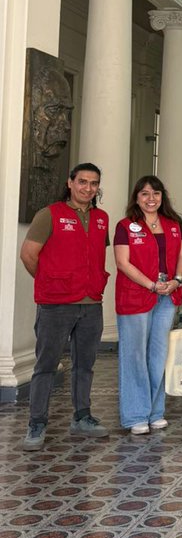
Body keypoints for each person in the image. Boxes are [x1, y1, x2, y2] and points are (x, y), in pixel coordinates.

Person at [19, 163, 111, 451]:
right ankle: (37, 423)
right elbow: (28, 255)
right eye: (82, 182)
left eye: (94, 183)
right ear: (70, 183)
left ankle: (82, 416)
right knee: (46, 365)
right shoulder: (49, 215)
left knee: (85, 364)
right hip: (56, 304)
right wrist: (52, 282)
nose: (88, 188)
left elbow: (94, 256)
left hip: (91, 304)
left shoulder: (101, 218)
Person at [114, 176, 182, 435]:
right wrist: (151, 285)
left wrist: (177, 281)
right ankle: (136, 415)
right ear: (136, 197)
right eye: (144, 193)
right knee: (134, 355)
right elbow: (123, 262)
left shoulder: (173, 224)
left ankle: (155, 411)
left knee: (158, 355)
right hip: (136, 294)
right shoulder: (125, 226)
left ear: (162, 197)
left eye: (155, 193)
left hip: (167, 294)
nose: (150, 198)